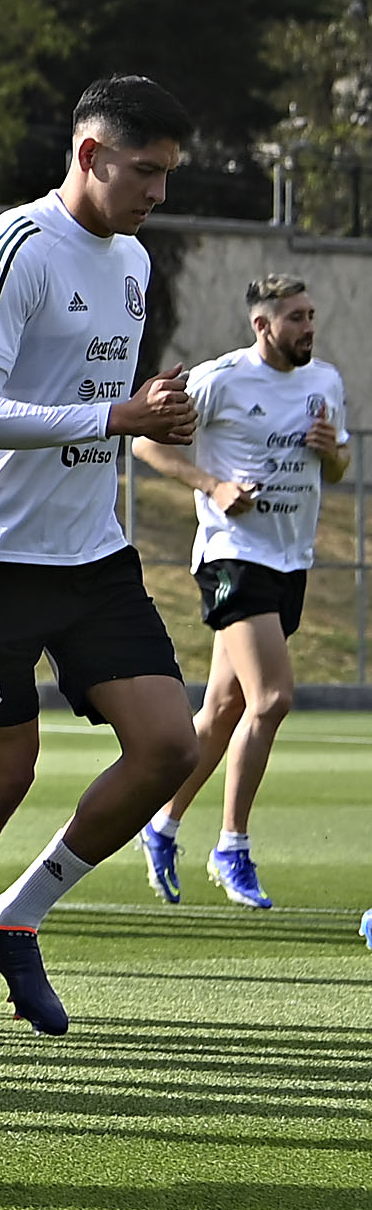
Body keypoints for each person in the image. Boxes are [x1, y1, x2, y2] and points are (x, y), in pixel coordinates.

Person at [0, 76, 201, 1040]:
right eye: (144, 169)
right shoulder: (15, 247)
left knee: (169, 746)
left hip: (92, 550)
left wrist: (149, 410)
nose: (157, 190)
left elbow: (95, 396)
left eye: (167, 173)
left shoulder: (132, 261)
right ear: (88, 154)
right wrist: (118, 414)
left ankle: (17, 916)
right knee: (1, 774)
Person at [136, 274, 349, 908]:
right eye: (296, 318)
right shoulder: (221, 378)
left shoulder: (325, 382)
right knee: (273, 697)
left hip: (291, 558)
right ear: (263, 326)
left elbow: (337, 468)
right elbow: (148, 444)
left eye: (312, 315)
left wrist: (330, 451)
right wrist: (212, 484)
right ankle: (232, 845)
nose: (308, 327)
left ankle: (161, 823)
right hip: (234, 555)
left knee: (224, 709)